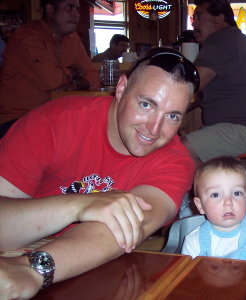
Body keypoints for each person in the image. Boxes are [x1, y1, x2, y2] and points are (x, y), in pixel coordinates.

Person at [0, 47, 199, 299]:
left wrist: (33, 271)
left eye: (172, 116)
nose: (154, 128)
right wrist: (79, 206)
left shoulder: (175, 161)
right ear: (121, 88)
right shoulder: (52, 122)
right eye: (146, 104)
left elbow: (127, 229)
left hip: (80, 276)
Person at [181, 0, 246, 167]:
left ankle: (209, 191)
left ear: (219, 19)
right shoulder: (232, 39)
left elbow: (193, 83)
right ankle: (213, 189)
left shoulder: (221, 39)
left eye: (200, 17)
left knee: (181, 151)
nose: (194, 23)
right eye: (194, 18)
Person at [0, 0, 101, 139]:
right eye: (69, 8)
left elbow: (94, 77)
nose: (76, 14)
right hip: (17, 120)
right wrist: (74, 71)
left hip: (54, 119)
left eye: (77, 9)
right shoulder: (26, 36)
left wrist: (75, 84)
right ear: (50, 10)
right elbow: (53, 81)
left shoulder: (73, 39)